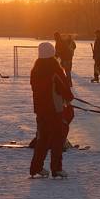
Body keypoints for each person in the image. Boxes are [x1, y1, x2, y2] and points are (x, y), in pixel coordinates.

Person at [29, 42, 74, 178]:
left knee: (42, 140)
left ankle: (36, 167)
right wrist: (68, 98)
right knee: (58, 139)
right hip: (54, 110)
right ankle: (56, 168)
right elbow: (64, 87)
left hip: (40, 110)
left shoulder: (35, 70)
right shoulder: (55, 69)